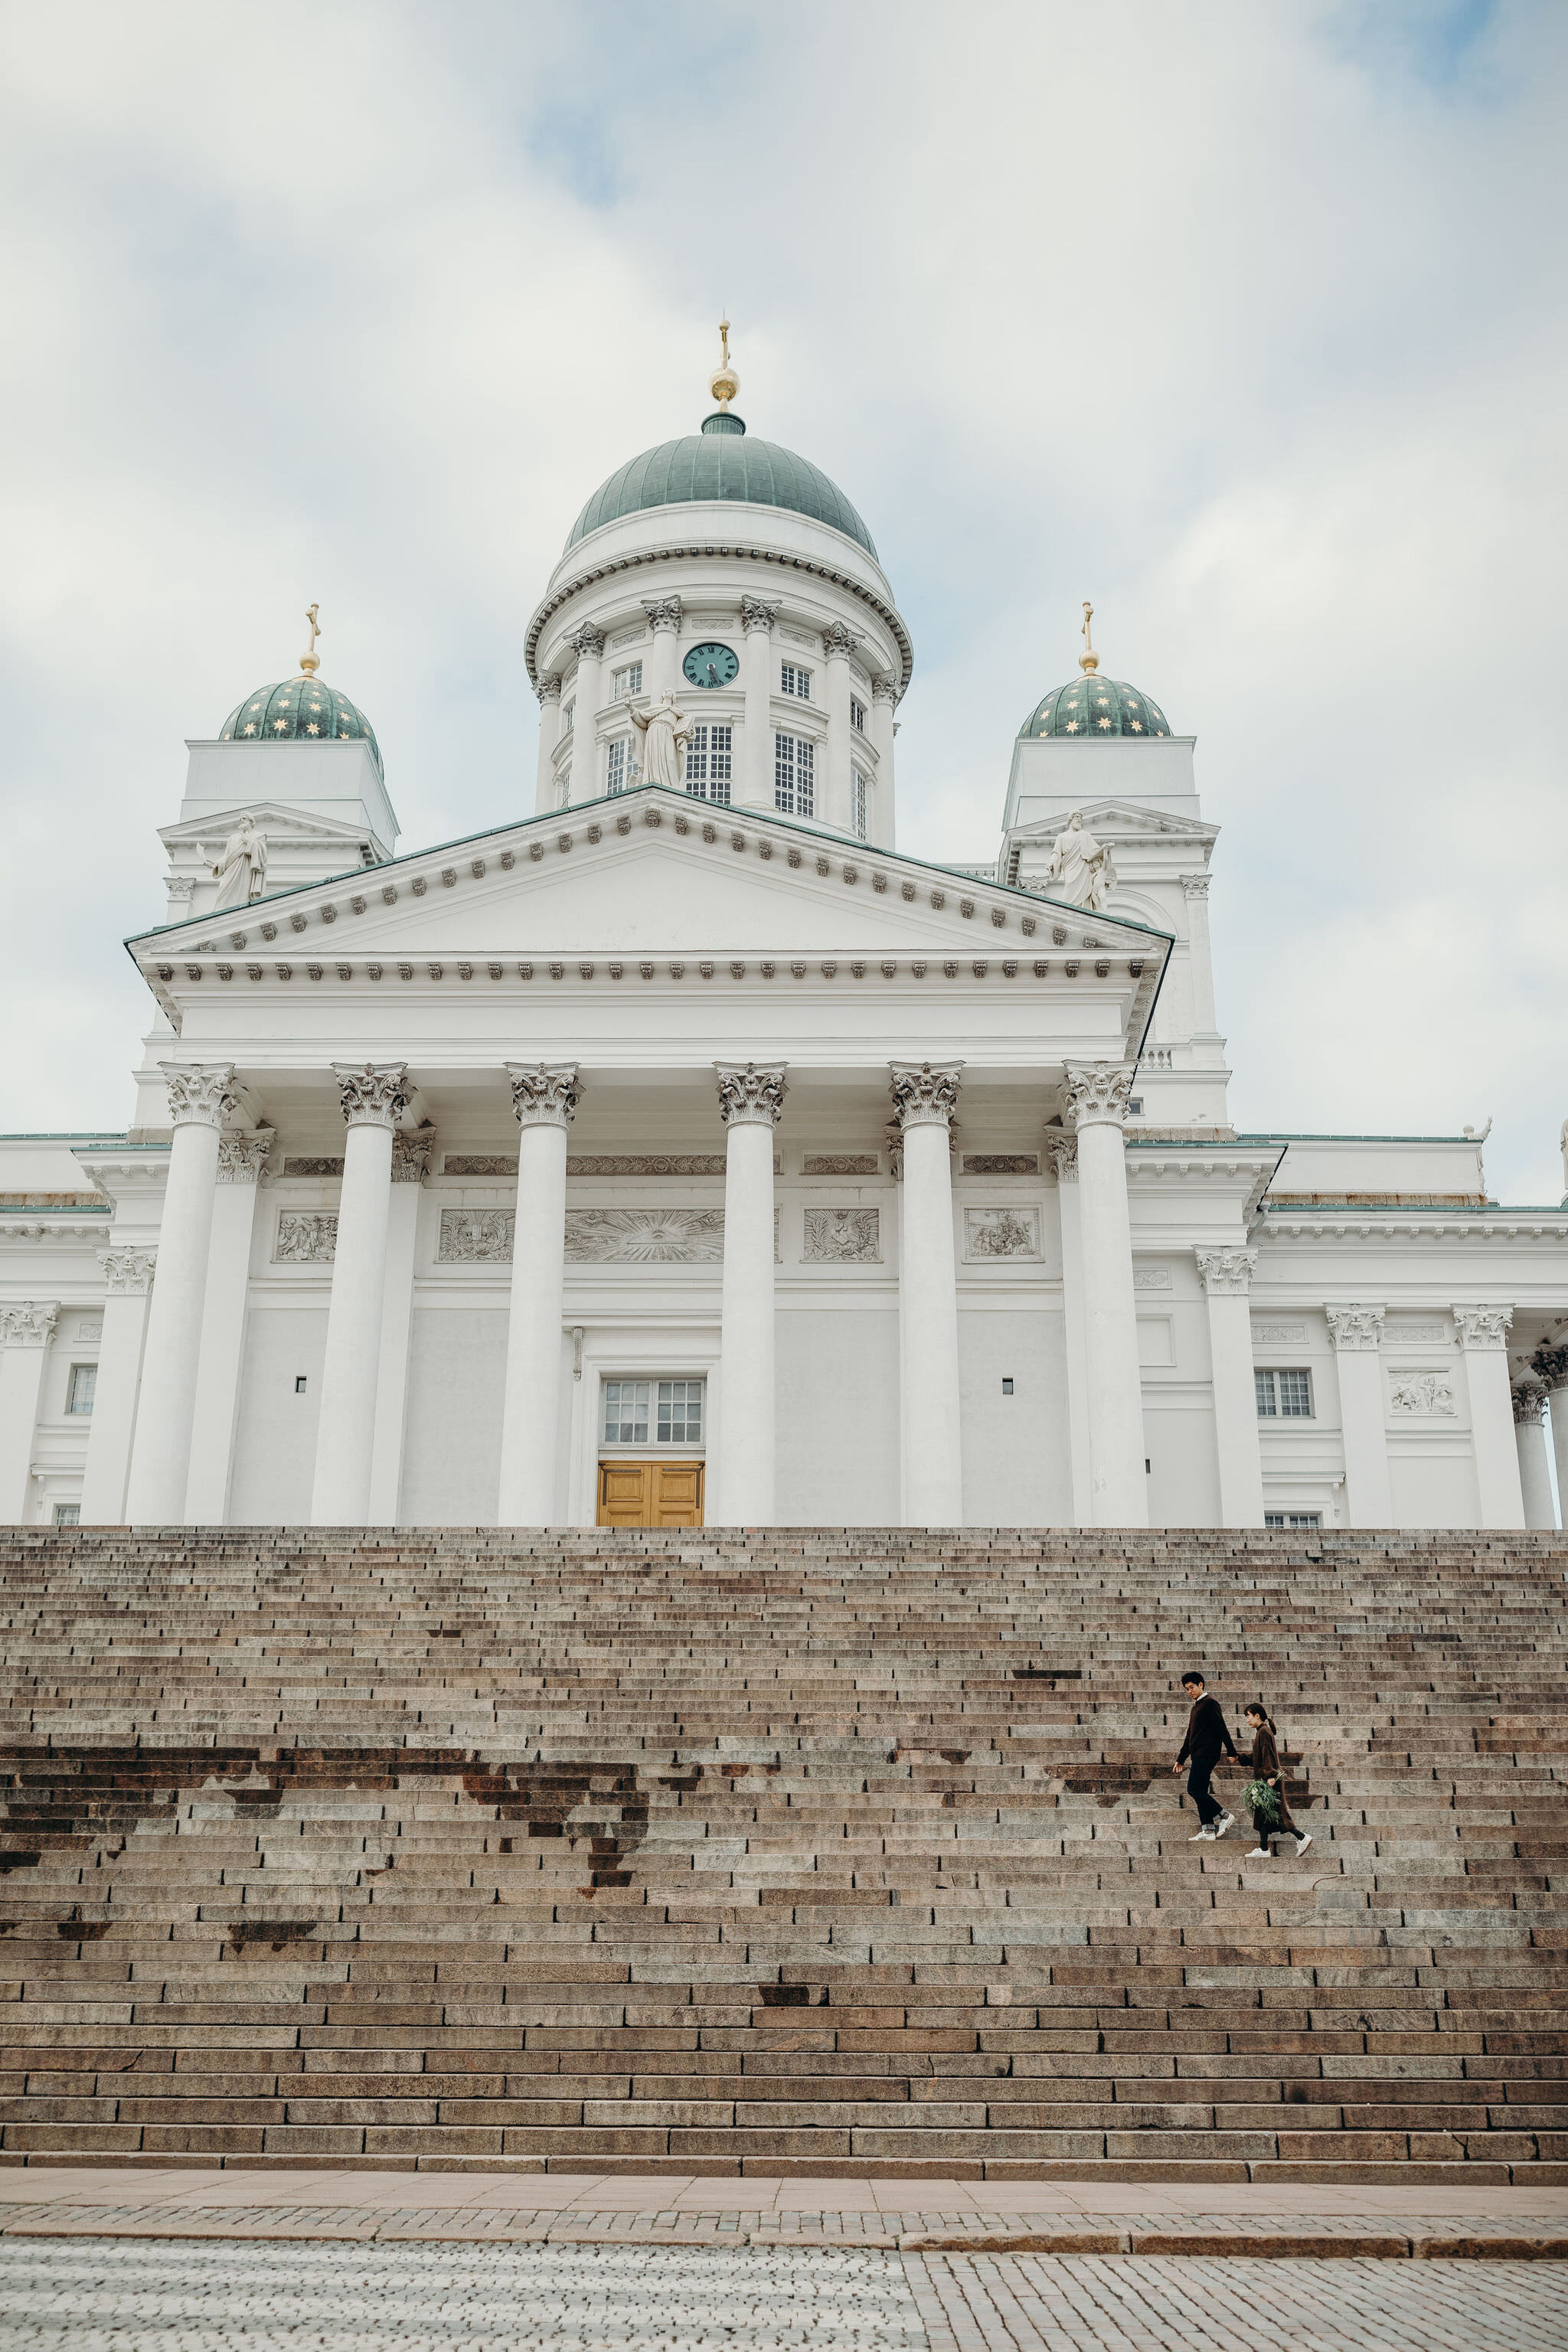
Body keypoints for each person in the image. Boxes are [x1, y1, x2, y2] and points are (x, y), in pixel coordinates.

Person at [1171, 1670, 1236, 1841]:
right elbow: (1189, 1735)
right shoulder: (1196, 1707)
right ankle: (1208, 1830)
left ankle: (1224, 1816)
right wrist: (1181, 1758)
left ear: (1201, 1685)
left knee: (1193, 1789)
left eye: (1191, 1687)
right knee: (1200, 1790)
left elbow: (1221, 1728)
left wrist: (1231, 1751)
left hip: (1207, 1754)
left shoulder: (1210, 1703)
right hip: (1198, 1754)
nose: (1189, 1691)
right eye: (1186, 1689)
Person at [1243, 1702, 1312, 1860]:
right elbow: (1257, 1757)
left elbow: (1268, 1755)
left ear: (1257, 1715)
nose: (1247, 1720)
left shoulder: (1264, 1732)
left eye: (1248, 1716)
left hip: (1270, 1780)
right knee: (1264, 1814)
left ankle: (1302, 1837)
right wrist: (1239, 1758)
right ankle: (1263, 1848)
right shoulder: (1262, 1731)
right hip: (1267, 1779)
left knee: (1278, 1815)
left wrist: (1270, 1775)